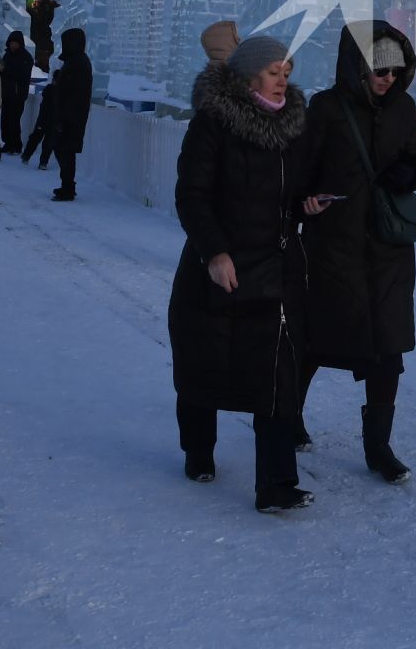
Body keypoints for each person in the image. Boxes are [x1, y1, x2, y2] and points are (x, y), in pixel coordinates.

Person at [168, 35, 312, 513]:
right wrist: (214, 253)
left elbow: (293, 191)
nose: (281, 82)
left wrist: (308, 203)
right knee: (203, 366)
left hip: (273, 269)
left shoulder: (293, 126)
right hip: (218, 271)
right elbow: (192, 195)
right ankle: (198, 449)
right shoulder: (214, 122)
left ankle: (275, 484)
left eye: (286, 74)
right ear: (251, 74)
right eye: (274, 73)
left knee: (276, 374)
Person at [293, 21, 416, 483]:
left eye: (395, 69)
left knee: (388, 348)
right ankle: (289, 416)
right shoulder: (326, 109)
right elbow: (300, 171)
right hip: (334, 246)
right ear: (357, 67)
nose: (388, 78)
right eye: (379, 69)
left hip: (388, 249)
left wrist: (406, 176)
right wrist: (305, 203)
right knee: (315, 341)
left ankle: (379, 448)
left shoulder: (403, 108)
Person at [47, 27, 93, 201]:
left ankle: (68, 187)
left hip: (70, 117)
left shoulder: (77, 63)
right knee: (64, 151)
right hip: (70, 116)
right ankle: (67, 186)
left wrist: (64, 117)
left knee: (65, 151)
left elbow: (73, 93)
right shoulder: (76, 61)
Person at [0, 30, 34, 155]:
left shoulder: (26, 58)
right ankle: (8, 143)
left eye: (15, 43)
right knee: (5, 120)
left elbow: (22, 75)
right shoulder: (7, 55)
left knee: (14, 120)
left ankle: (16, 145)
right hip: (6, 93)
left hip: (18, 94)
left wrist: (5, 71)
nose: (13, 45)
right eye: (11, 43)